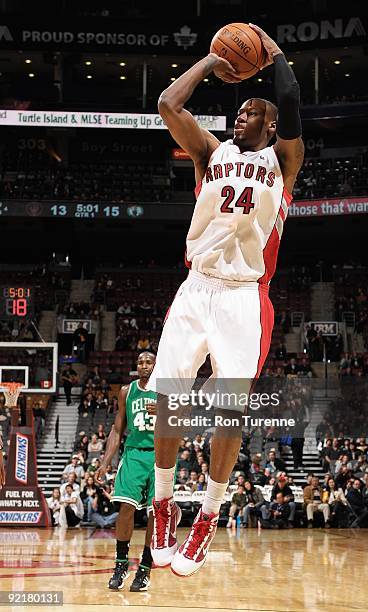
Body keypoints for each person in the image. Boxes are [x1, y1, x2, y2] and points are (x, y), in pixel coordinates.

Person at [148, 23, 303, 578]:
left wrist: (274, 51)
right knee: (166, 399)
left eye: (253, 110)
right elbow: (169, 102)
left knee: (227, 411)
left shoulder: (283, 165)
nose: (242, 114)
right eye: (239, 110)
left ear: (273, 125)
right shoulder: (210, 153)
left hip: (244, 295)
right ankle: (164, 505)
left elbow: (290, 97)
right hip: (197, 287)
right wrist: (215, 59)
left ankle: (209, 515)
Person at [95, 352, 157, 592]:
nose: (143, 365)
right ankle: (120, 565)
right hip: (133, 453)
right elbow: (117, 428)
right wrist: (105, 461)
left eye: (148, 362)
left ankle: (145, 568)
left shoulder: (166, 391)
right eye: (140, 362)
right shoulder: (126, 392)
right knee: (125, 507)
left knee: (155, 513)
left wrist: (164, 414)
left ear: (155, 365)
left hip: (159, 455)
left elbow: (181, 423)